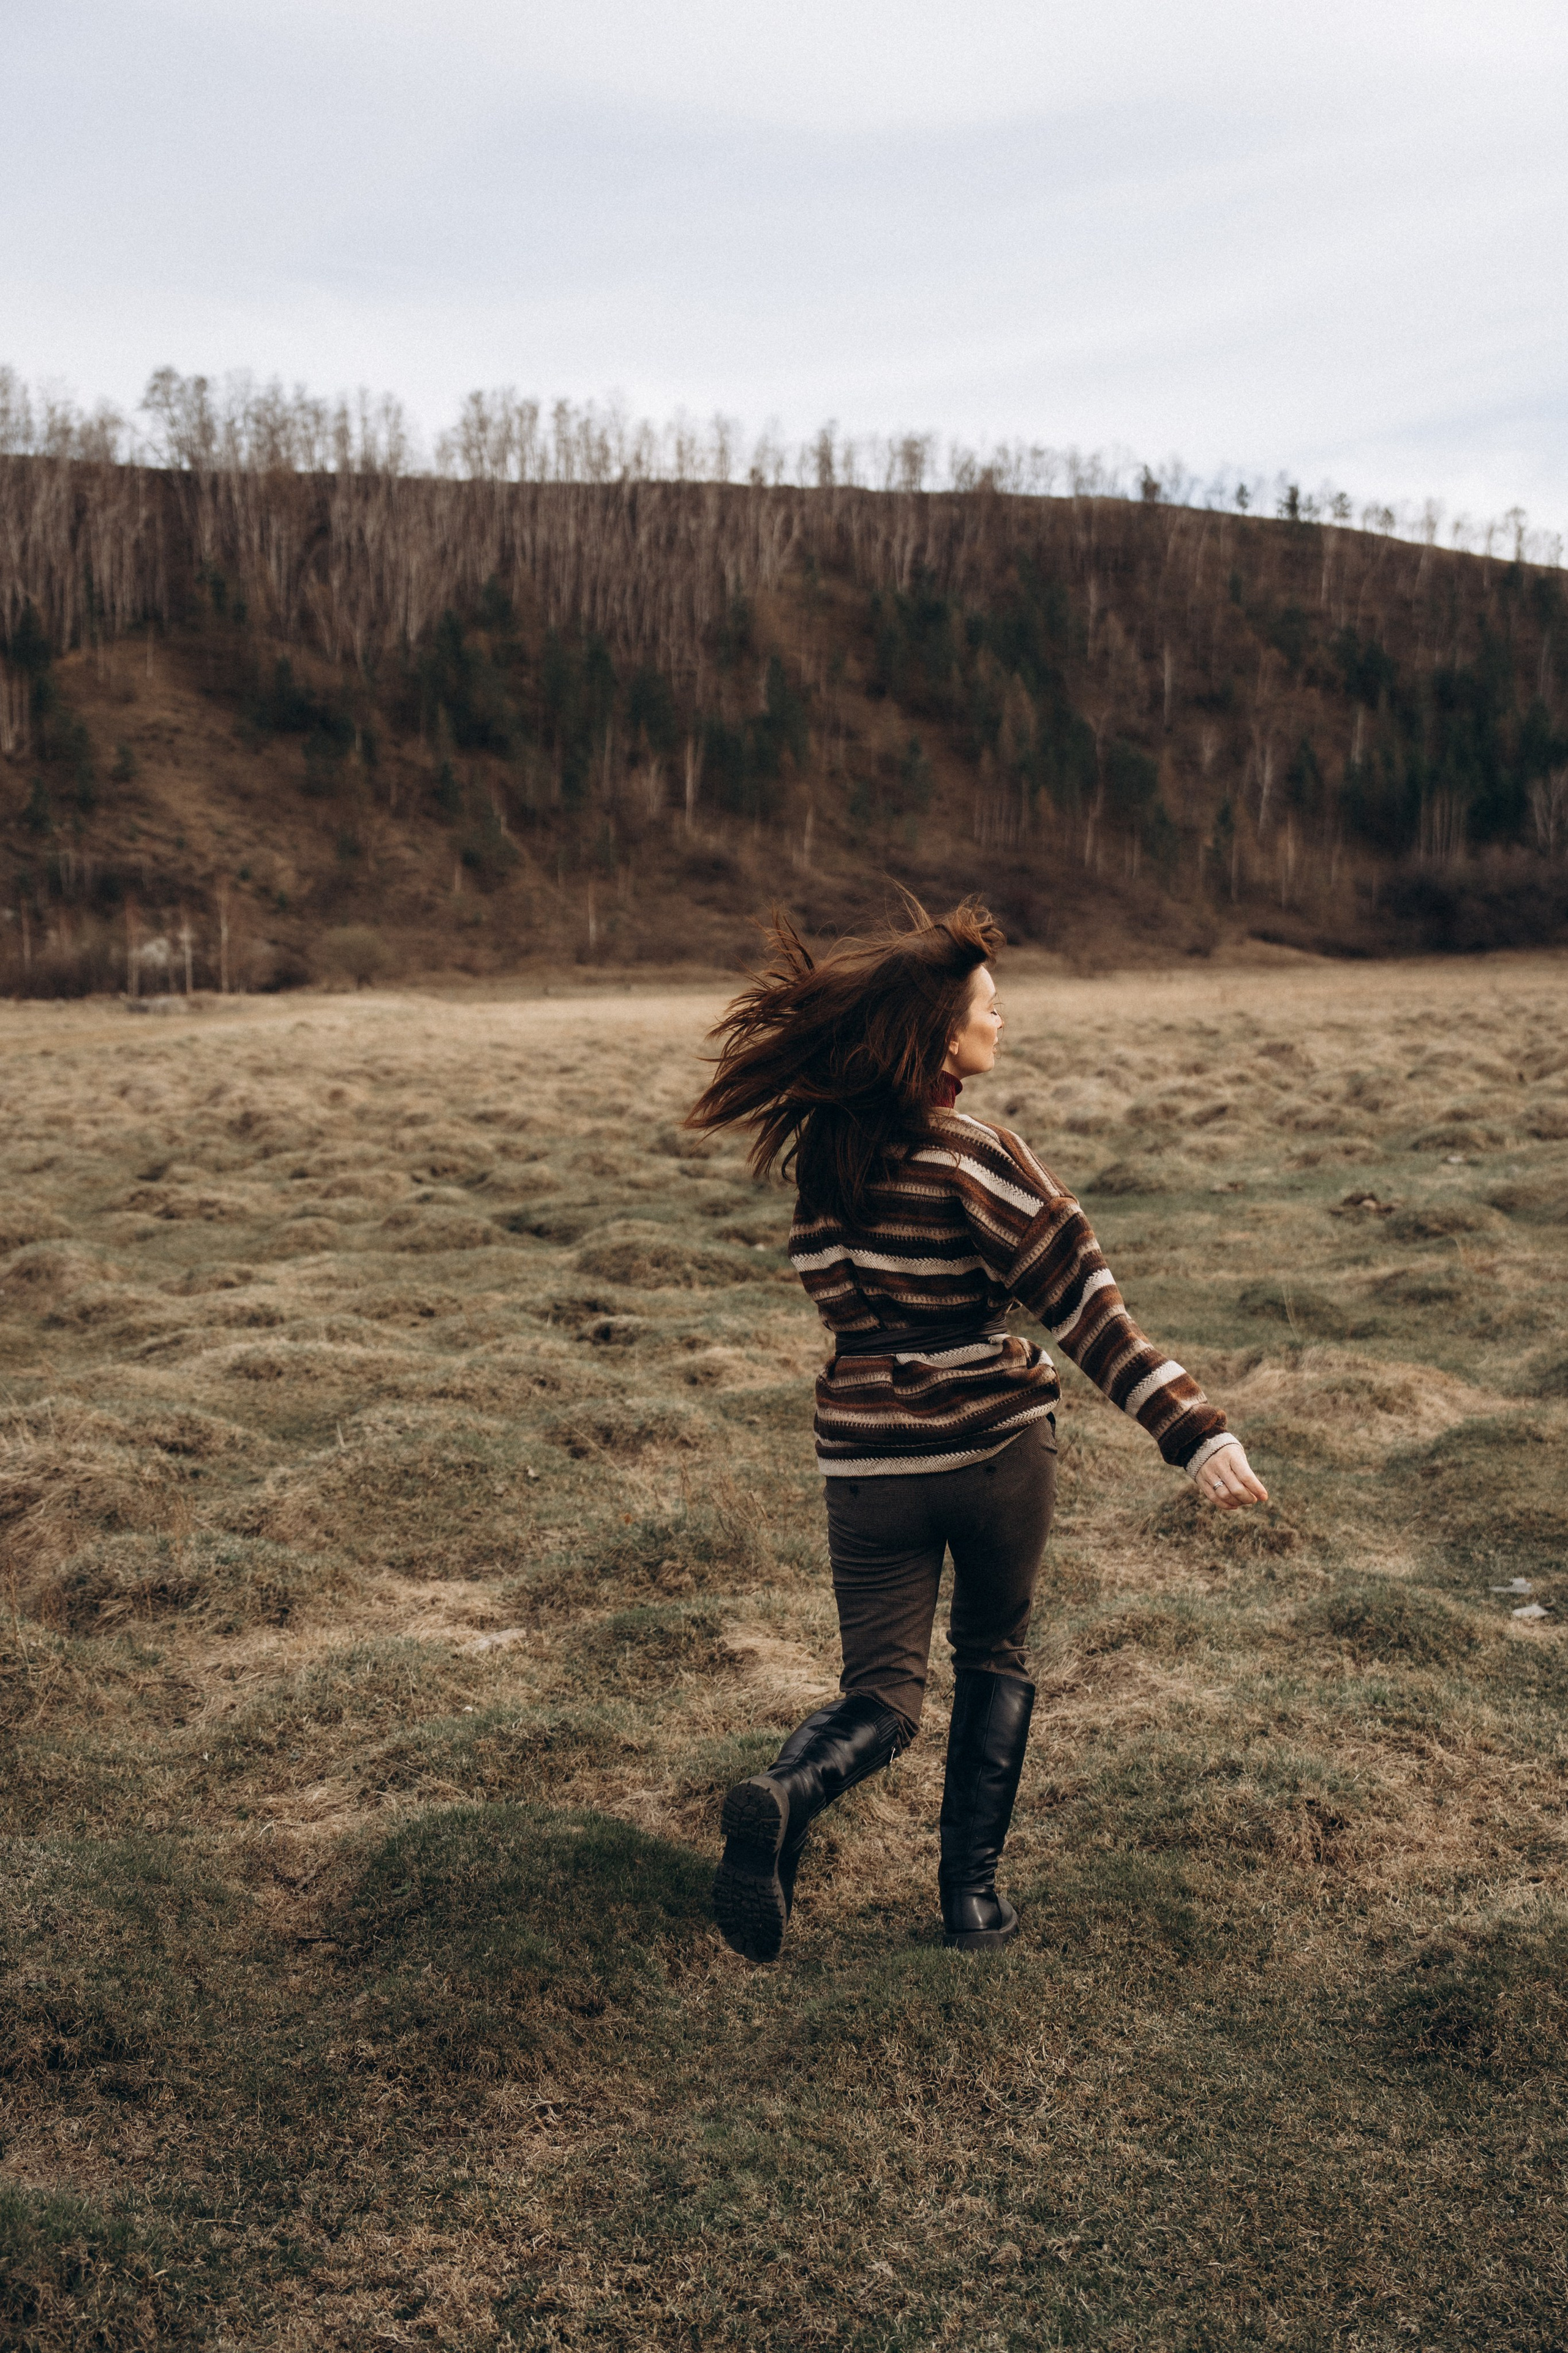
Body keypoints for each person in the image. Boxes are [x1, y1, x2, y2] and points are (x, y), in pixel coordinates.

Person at [685, 897, 1267, 1963]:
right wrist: (1194, 1433)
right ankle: (971, 1904)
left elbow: (837, 1301)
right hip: (993, 1454)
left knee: (882, 1694)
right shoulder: (978, 1155)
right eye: (989, 1008)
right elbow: (1087, 1306)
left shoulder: (827, 1163)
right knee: (994, 1651)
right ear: (941, 1035)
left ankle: (786, 1790)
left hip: (865, 1463)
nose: (1003, 1023)